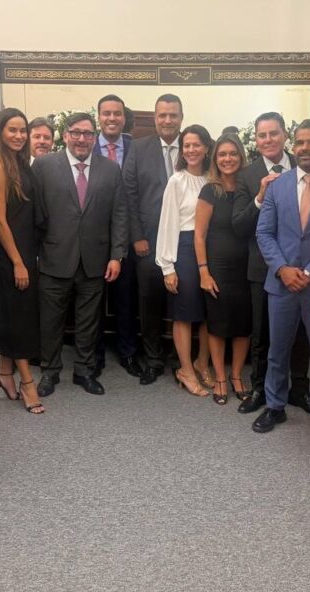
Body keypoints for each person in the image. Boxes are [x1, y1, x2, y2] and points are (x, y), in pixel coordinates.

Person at [253, 119, 310, 437]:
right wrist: (282, 268)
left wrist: (309, 271)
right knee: (278, 350)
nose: (305, 148)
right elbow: (264, 233)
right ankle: (274, 406)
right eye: (300, 142)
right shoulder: (278, 185)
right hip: (281, 283)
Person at [33, 112, 128, 397]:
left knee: (89, 322)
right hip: (54, 258)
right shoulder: (44, 166)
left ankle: (84, 371)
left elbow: (119, 214)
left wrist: (117, 255)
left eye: (87, 133)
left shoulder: (110, 169)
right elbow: (34, 212)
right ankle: (50, 372)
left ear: (94, 137)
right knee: (51, 322)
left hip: (95, 260)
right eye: (76, 132)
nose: (82, 139)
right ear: (65, 136)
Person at [233, 112, 310, 415]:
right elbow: (239, 226)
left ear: (284, 136)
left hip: (301, 266)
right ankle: (259, 388)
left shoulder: (304, 165)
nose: (268, 140)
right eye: (262, 135)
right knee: (262, 334)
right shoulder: (247, 175)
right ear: (256, 140)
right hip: (262, 266)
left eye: (274, 133)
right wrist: (259, 197)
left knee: (302, 333)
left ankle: (299, 388)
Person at [0, 108, 44, 414]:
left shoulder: (20, 162)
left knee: (12, 314)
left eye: (23, 130)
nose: (19, 136)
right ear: (0, 132)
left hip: (25, 249)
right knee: (19, 318)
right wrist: (18, 262)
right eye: (13, 130)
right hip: (10, 254)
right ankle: (27, 383)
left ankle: (4, 373)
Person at [123, 93, 184, 385]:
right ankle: (154, 358)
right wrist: (136, 236)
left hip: (185, 240)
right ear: (155, 118)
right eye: (162, 115)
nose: (167, 120)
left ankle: (183, 358)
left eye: (173, 115)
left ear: (181, 118)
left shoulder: (194, 145)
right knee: (149, 301)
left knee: (184, 298)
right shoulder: (138, 148)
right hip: (148, 239)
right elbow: (129, 194)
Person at [155, 124, 214, 396]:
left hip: (212, 248)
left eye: (196, 145)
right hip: (185, 248)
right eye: (186, 145)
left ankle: (202, 362)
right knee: (185, 312)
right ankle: (186, 370)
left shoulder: (213, 179)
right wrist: (167, 266)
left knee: (209, 311)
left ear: (206, 148)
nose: (191, 150)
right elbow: (167, 223)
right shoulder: (177, 181)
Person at [194, 133, 251, 404]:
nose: (228, 159)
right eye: (222, 154)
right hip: (217, 268)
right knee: (217, 324)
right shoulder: (210, 190)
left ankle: (236, 375)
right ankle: (219, 377)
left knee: (243, 325)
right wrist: (203, 272)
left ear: (241, 156)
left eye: (232, 154)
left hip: (246, 267)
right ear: (215, 159)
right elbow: (199, 235)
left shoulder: (247, 188)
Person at [94, 93, 141, 377]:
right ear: (99, 117)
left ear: (124, 118)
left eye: (117, 113)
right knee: (94, 300)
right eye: (106, 113)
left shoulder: (136, 147)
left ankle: (128, 352)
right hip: (94, 237)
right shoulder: (85, 146)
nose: (112, 118)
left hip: (130, 237)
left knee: (126, 298)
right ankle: (95, 354)